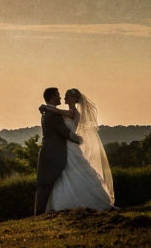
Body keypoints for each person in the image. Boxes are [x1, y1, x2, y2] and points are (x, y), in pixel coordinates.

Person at [38, 88, 115, 211]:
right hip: (65, 146)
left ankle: (77, 202)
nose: (64, 98)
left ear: (74, 99)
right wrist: (46, 107)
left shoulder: (74, 113)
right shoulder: (65, 112)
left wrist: (45, 106)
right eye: (63, 95)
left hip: (70, 145)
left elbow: (57, 112)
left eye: (67, 96)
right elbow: (56, 111)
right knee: (67, 172)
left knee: (73, 171)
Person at [34, 87, 81, 215]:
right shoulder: (52, 114)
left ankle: (43, 211)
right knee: (46, 183)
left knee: (50, 182)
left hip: (57, 150)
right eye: (58, 95)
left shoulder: (51, 112)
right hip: (53, 151)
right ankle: (40, 212)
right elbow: (64, 132)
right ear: (52, 97)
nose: (61, 97)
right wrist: (80, 140)